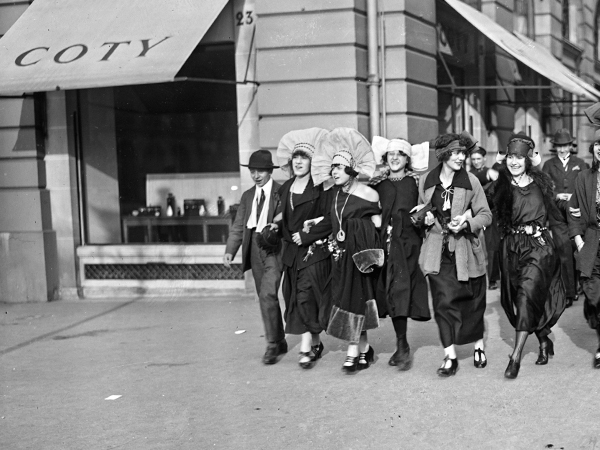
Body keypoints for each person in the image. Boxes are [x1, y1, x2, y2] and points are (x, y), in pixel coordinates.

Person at [415, 131, 492, 377]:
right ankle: (450, 356)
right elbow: (424, 210)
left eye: (463, 153)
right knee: (442, 302)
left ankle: (478, 345)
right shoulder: (426, 180)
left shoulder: (472, 181)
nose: (461, 158)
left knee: (473, 300)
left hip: (466, 249)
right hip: (437, 250)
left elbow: (486, 215)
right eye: (456, 153)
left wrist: (467, 223)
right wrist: (425, 218)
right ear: (444, 154)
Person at [491, 132, 566, 379]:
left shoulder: (542, 185)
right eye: (510, 157)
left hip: (539, 247)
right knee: (522, 299)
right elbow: (479, 206)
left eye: (519, 157)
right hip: (511, 249)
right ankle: (543, 339)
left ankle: (515, 358)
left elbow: (555, 214)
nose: (514, 162)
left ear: (528, 160)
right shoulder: (499, 186)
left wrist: (567, 242)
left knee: (526, 296)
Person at [311, 127, 383, 373]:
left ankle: (353, 352)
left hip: (358, 258)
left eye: (339, 168)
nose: (334, 172)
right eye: (332, 168)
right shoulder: (333, 196)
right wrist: (314, 226)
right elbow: (332, 222)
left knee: (355, 301)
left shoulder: (368, 194)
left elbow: (378, 226)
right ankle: (364, 349)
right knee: (350, 302)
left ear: (351, 171)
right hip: (340, 258)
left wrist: (361, 237)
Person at [369, 137, 430, 370]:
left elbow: (429, 204)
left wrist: (425, 212)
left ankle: (402, 346)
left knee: (401, 290)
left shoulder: (416, 182)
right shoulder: (377, 184)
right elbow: (366, 208)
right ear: (385, 158)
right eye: (390, 154)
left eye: (400, 154)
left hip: (409, 244)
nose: (394, 158)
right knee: (394, 291)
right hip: (385, 244)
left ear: (407, 159)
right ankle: (401, 344)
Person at [274, 128, 332, 369]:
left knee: (306, 295)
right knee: (294, 298)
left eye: (304, 157)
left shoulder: (321, 188)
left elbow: (331, 218)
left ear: (313, 161)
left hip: (314, 252)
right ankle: (316, 342)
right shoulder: (285, 188)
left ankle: (307, 345)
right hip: (292, 254)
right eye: (295, 157)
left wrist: (307, 235)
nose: (298, 161)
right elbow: (283, 219)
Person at [223, 150, 286, 365]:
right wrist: (230, 250)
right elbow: (239, 225)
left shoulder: (281, 192)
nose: (256, 175)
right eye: (252, 171)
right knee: (265, 296)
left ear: (269, 171)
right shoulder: (248, 196)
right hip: (254, 250)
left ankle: (271, 344)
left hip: (274, 249)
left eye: (260, 171)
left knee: (268, 293)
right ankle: (279, 339)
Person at [542, 129, 589, 307]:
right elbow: (544, 187)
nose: (562, 149)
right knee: (563, 253)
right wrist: (557, 195)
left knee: (578, 250)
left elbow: (586, 185)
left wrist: (574, 195)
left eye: (565, 146)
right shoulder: (548, 165)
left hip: (577, 214)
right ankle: (569, 293)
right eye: (559, 146)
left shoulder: (581, 163)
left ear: (571, 146)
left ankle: (580, 285)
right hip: (557, 215)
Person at [568, 129, 600, 369]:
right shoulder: (584, 178)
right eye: (598, 143)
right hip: (591, 241)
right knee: (594, 293)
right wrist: (579, 241)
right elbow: (574, 211)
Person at [469, 146, 501, 290]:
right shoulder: (469, 174)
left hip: (491, 213)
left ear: (484, 159)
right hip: (473, 214)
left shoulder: (493, 172)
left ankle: (493, 279)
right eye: (473, 159)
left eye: (478, 159)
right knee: (472, 245)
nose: (476, 162)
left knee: (492, 246)